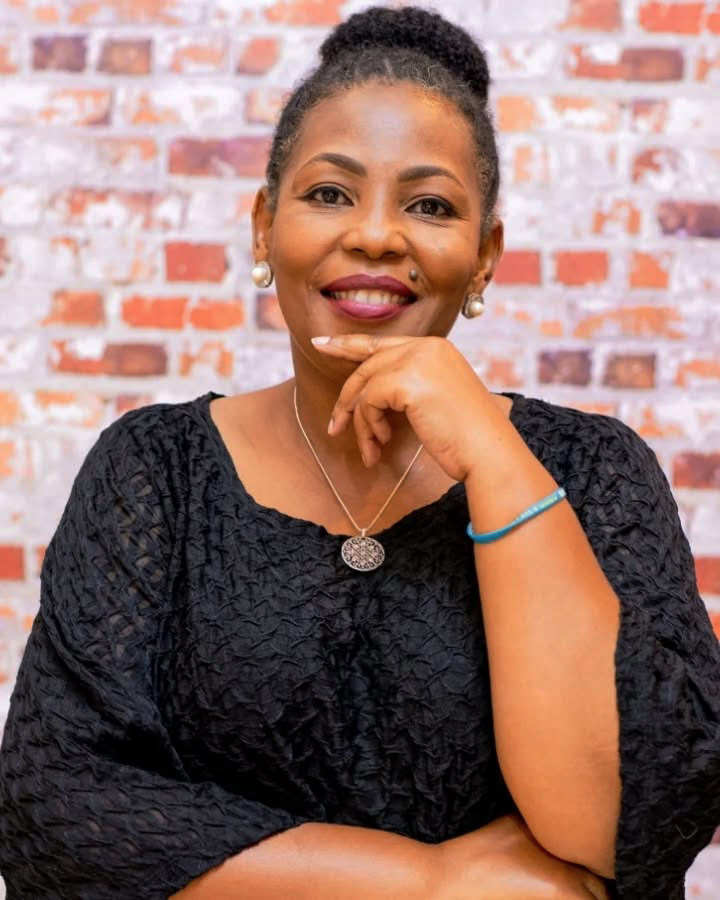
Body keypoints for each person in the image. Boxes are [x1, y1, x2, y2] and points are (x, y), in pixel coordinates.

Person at [1, 6, 718, 899]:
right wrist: (433, 883)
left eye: (430, 205)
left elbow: (628, 821)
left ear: (484, 256)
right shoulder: (155, 471)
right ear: (264, 226)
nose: (376, 234)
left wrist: (495, 458)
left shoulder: (594, 469)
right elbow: (56, 807)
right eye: (330, 194)